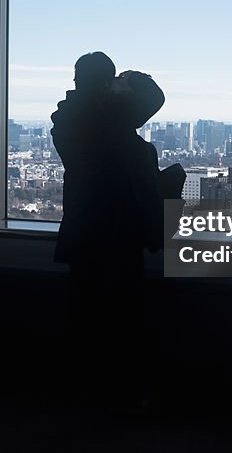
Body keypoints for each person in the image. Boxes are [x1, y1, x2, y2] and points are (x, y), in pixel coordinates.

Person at [51, 51, 165, 406]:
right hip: (119, 226)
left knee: (84, 308)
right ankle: (120, 391)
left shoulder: (67, 121)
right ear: (104, 83)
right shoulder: (110, 116)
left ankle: (83, 388)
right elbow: (155, 97)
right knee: (123, 312)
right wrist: (129, 79)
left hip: (84, 223)